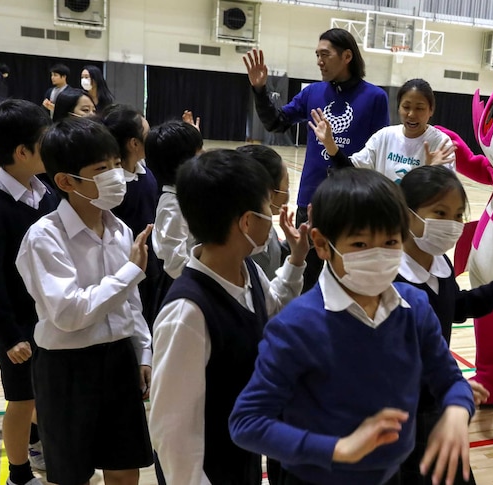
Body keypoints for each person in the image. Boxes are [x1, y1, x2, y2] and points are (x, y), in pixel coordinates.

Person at [229, 168, 476, 485]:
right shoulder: (296, 325)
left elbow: (451, 380)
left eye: (390, 242)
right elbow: (247, 423)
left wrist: (457, 410)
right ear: (321, 244)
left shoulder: (414, 308)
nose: (378, 255)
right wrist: (338, 448)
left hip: (390, 475)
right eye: (360, 244)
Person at [149, 149, 308, 485]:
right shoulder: (187, 314)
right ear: (247, 221)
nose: (274, 213)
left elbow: (272, 310)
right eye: (268, 206)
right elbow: (173, 435)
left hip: (241, 456)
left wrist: (296, 260)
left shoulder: (246, 269)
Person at [15, 117, 154, 485]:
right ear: (65, 181)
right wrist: (129, 272)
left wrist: (142, 351)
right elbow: (69, 312)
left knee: (125, 469)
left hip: (120, 359)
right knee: (71, 474)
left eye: (114, 165)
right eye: (101, 169)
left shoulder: (120, 230)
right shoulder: (44, 237)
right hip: (67, 368)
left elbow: (131, 303)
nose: (115, 176)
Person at [396, 165, 493, 484]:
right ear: (406, 213)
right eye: (440, 212)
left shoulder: (440, 263)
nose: (452, 224)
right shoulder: (392, 278)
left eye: (458, 215)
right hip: (404, 410)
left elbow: (457, 307)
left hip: (437, 403)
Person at [0, 99, 57, 485]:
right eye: (45, 141)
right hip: (18, 327)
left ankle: (38, 446)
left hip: (47, 318)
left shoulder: (46, 191)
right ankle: (18, 475)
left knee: (44, 394)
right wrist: (7, 337)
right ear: (22, 152)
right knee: (22, 402)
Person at [243, 28, 390, 225]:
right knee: (304, 255)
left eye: (325, 55)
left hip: (352, 199)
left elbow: (379, 155)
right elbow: (275, 123)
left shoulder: (375, 98)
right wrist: (259, 90)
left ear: (347, 56)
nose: (319, 61)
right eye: (317, 55)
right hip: (310, 199)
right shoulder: (312, 92)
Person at [309, 78, 456, 183]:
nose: (411, 114)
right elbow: (349, 170)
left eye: (419, 108)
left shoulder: (440, 142)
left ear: (431, 110)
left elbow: (445, 197)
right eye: (406, 107)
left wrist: (433, 171)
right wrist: (329, 143)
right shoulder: (384, 136)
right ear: (398, 108)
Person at [101, 104, 161, 325]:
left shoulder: (145, 170)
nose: (152, 136)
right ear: (134, 143)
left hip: (150, 262)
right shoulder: (113, 184)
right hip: (124, 266)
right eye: (148, 133)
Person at [145, 120, 203, 299]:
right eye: (198, 154)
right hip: (183, 286)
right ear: (183, 163)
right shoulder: (173, 206)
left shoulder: (186, 194)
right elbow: (174, 263)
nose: (204, 156)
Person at [236, 144, 291, 277]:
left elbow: (275, 255)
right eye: (286, 185)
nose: (287, 191)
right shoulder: (239, 248)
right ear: (269, 193)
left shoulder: (262, 220)